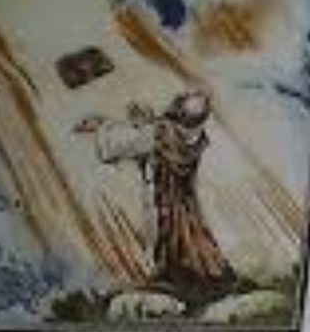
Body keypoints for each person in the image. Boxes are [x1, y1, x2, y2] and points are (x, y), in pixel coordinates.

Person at [78, 90, 235, 303]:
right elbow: (147, 135)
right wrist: (139, 122)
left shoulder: (162, 132)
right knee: (190, 237)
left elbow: (122, 144)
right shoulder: (192, 135)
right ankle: (198, 278)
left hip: (163, 200)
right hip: (184, 201)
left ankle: (181, 281)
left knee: (171, 240)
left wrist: (102, 125)